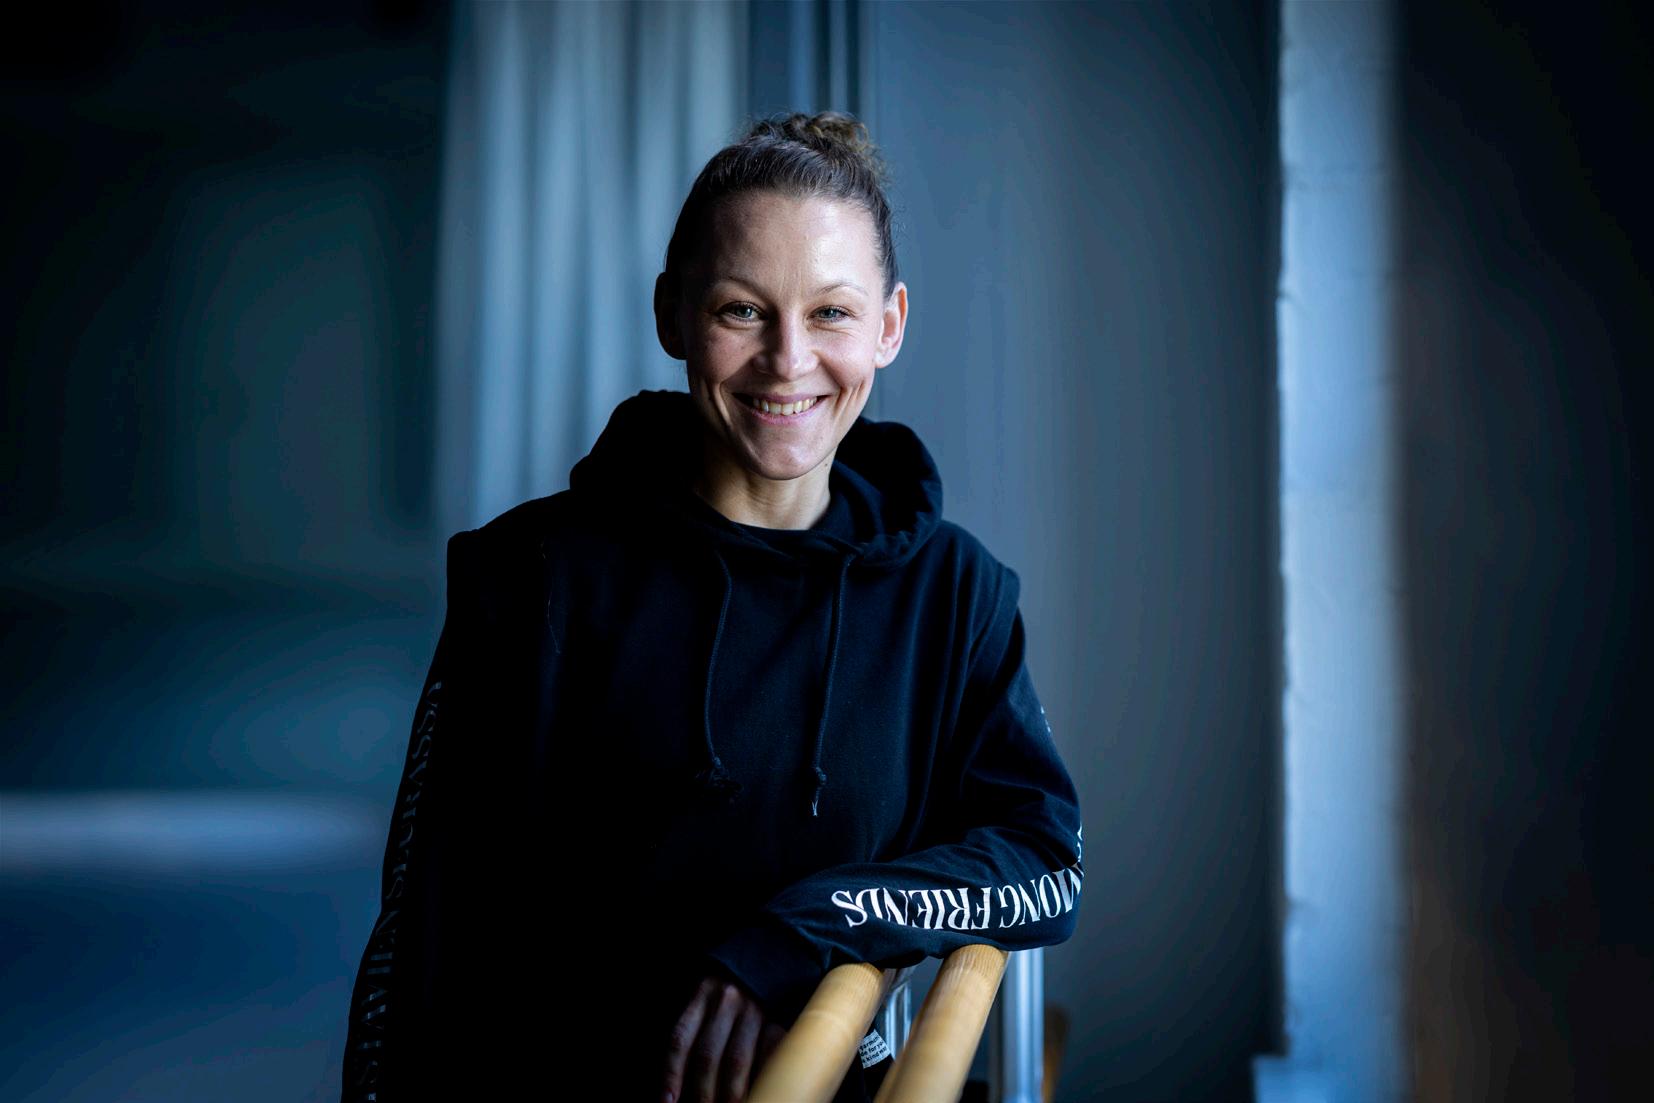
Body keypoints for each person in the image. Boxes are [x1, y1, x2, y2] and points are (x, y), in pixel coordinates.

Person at [340, 111, 1085, 1103]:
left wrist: (807, 929)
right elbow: (427, 943)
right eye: (742, 310)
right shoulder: (532, 574)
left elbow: (1044, 855)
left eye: (830, 313)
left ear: (890, 325)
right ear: (672, 315)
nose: (787, 359)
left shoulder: (953, 593)